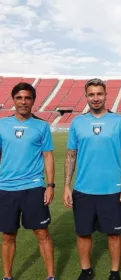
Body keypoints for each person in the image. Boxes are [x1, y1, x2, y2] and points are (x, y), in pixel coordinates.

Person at [63, 78, 121, 280]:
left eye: (99, 94)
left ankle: (114, 272)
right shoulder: (77, 122)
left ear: (105, 95)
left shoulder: (118, 121)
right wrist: (67, 186)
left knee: (113, 234)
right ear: (86, 96)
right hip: (83, 189)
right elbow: (71, 154)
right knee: (83, 233)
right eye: (91, 94)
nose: (95, 98)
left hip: (112, 189)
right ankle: (86, 271)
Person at [0, 83, 56, 280]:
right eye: (19, 98)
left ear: (33, 100)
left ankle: (51, 276)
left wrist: (50, 185)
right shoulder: (1, 125)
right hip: (6, 188)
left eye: (27, 98)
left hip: (33, 187)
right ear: (13, 100)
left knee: (42, 234)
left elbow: (47, 155)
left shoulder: (42, 126)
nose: (23, 102)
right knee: (7, 236)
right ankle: (7, 277)